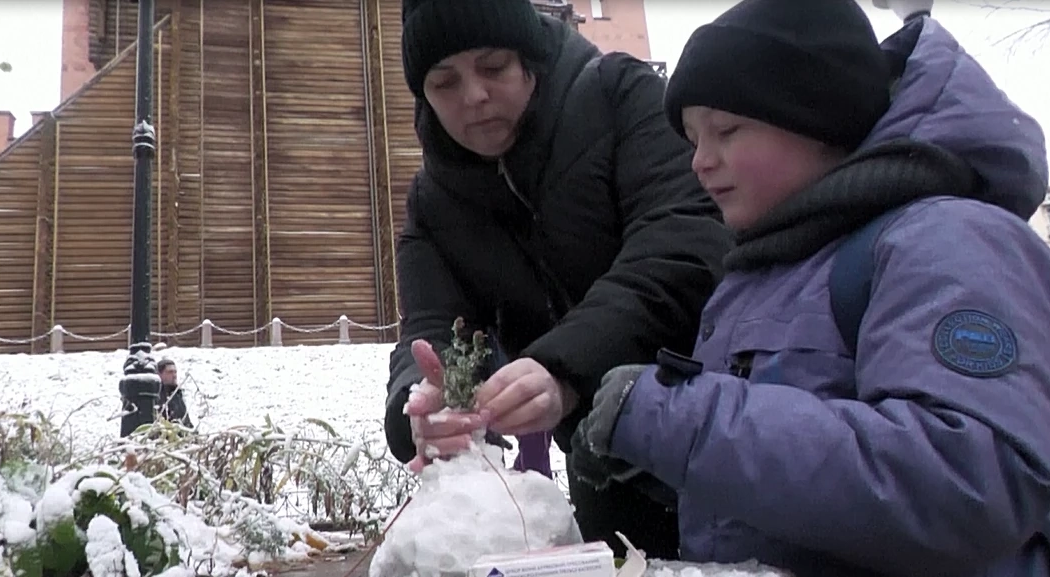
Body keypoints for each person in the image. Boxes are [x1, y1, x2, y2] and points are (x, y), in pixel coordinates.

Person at [571, 0, 1050, 574]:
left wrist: (683, 423)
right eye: (692, 138)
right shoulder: (770, 268)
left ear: (819, 122)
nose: (700, 161)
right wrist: (660, 468)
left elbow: (974, 481)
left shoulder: (946, 241)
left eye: (725, 130)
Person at [383, 0, 734, 559]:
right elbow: (429, 329)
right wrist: (424, 407)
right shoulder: (432, 202)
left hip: (716, 435)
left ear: (530, 58)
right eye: (443, 82)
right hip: (601, 466)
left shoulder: (620, 95)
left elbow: (683, 244)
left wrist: (563, 367)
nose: (473, 96)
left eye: (494, 67)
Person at [156, 358, 193, 428]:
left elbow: (186, 421)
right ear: (159, 374)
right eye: (170, 372)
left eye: (175, 372)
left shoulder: (177, 395)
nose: (174, 375)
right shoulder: (157, 396)